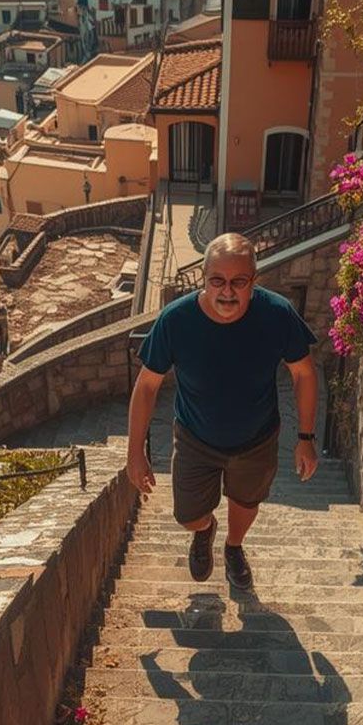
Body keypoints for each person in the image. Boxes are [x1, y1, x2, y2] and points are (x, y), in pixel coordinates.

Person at [126, 233, 319, 590]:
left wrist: (305, 438)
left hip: (257, 438)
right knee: (187, 516)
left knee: (246, 502)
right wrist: (134, 451)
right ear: (204, 278)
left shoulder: (277, 314)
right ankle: (205, 531)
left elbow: (304, 373)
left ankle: (233, 548)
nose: (227, 291)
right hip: (195, 437)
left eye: (238, 282)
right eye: (217, 281)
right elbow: (147, 385)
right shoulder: (175, 320)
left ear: (254, 281)